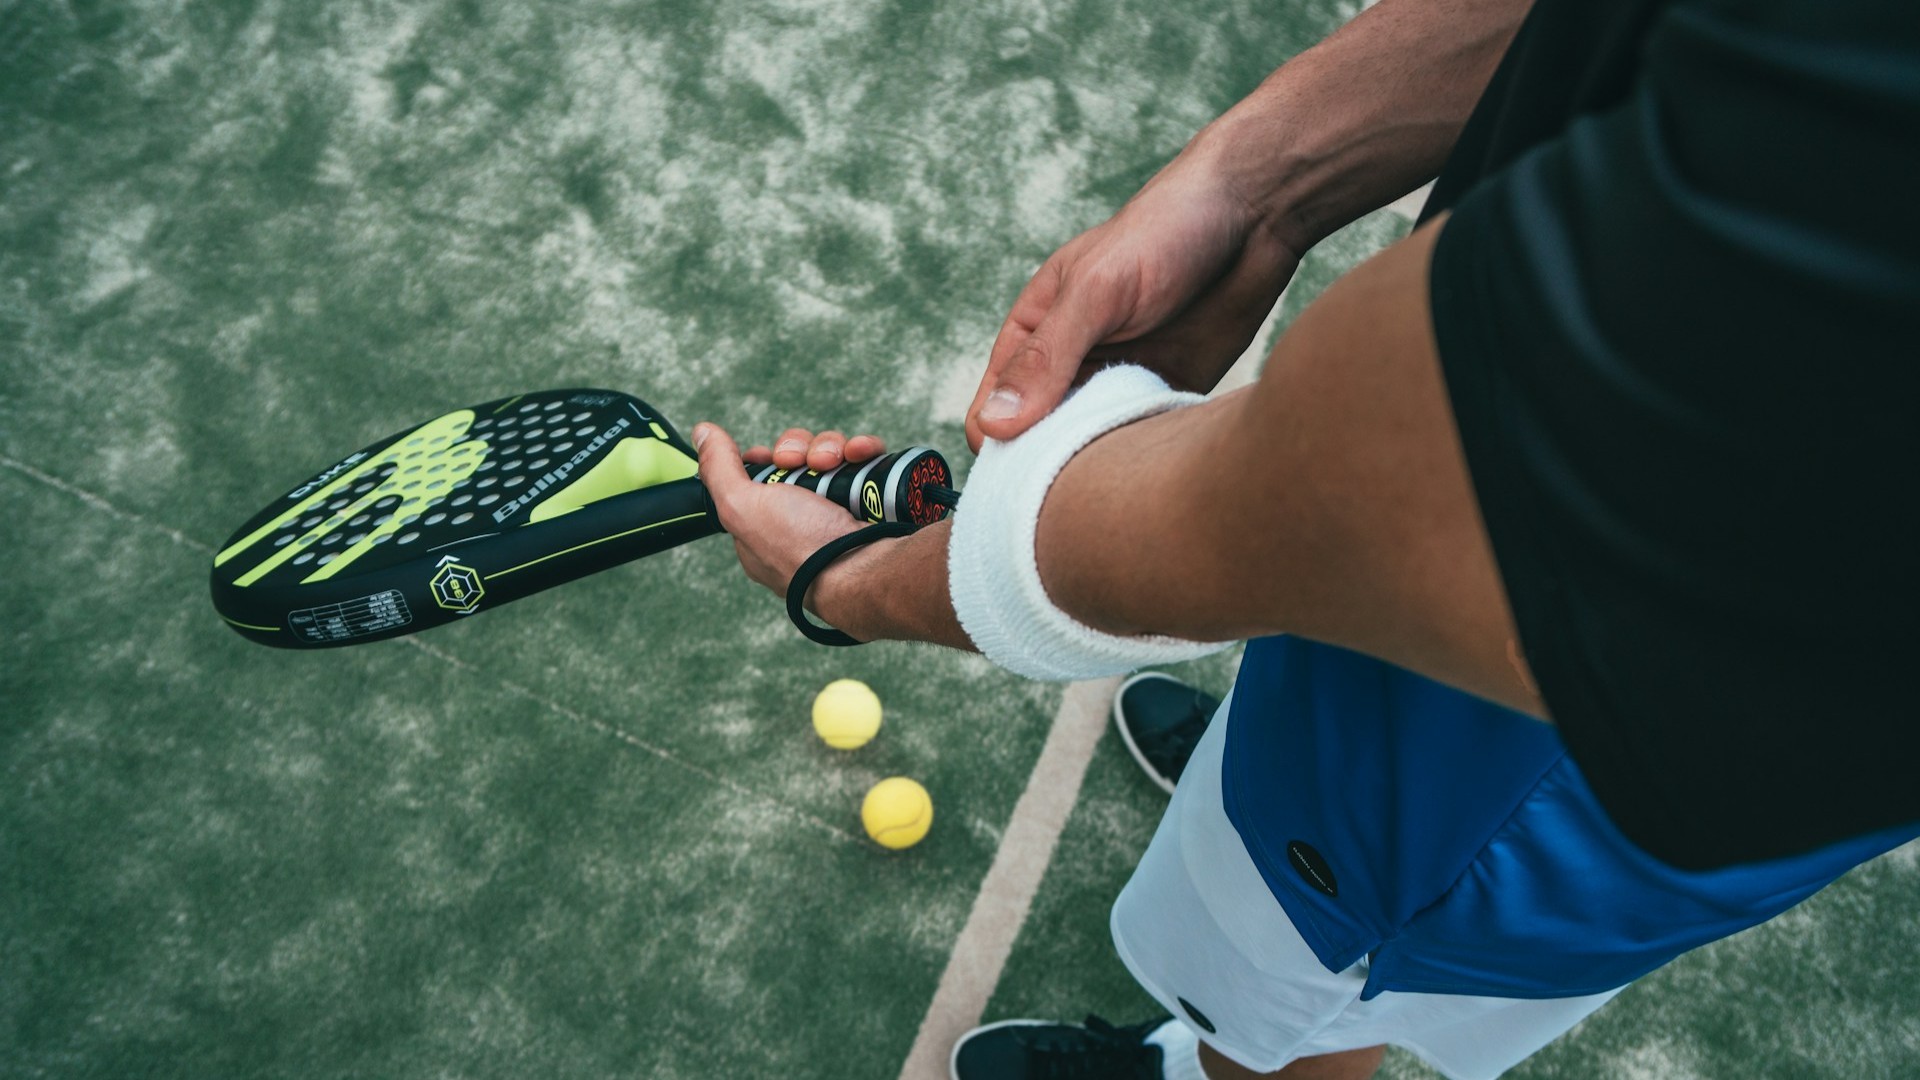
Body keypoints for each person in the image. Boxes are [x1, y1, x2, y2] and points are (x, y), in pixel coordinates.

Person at [687, 0, 1920, 1075]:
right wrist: (1254, 184)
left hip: (1524, 761)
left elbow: (1342, 502)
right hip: (1536, 607)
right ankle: (1264, 770)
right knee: (1291, 794)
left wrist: (849, 583)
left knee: (1294, 991)